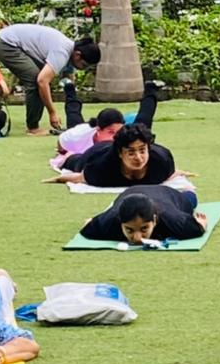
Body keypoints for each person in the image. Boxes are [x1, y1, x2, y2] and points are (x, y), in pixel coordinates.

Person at [0, 23, 100, 135]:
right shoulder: (62, 52)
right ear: (77, 55)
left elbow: (69, 79)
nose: (83, 69)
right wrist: (52, 113)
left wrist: (73, 109)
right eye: (84, 65)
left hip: (12, 40)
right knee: (36, 80)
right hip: (6, 43)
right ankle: (33, 128)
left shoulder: (70, 51)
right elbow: (42, 82)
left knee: (42, 78)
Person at [52, 80, 162, 169]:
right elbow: (61, 144)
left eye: (118, 132)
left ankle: (150, 88)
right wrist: (63, 152)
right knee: (73, 115)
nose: (115, 137)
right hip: (83, 133)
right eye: (111, 132)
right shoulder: (77, 135)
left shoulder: (125, 135)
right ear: (98, 130)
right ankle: (69, 88)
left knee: (144, 119)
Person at [46, 123, 179, 189]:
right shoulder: (100, 168)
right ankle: (69, 155)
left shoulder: (162, 161)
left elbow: (172, 173)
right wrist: (57, 179)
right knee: (74, 162)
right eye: (131, 152)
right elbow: (78, 177)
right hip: (99, 151)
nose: (138, 157)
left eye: (142, 151)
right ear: (121, 153)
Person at [79, 186, 207, 245]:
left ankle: (188, 191)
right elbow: (88, 225)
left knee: (191, 200)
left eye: (144, 228)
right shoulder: (111, 220)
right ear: (120, 223)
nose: (137, 238)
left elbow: (199, 226)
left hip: (167, 194)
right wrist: (93, 223)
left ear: (155, 221)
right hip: (131, 191)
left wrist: (201, 224)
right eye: (129, 230)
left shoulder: (174, 220)